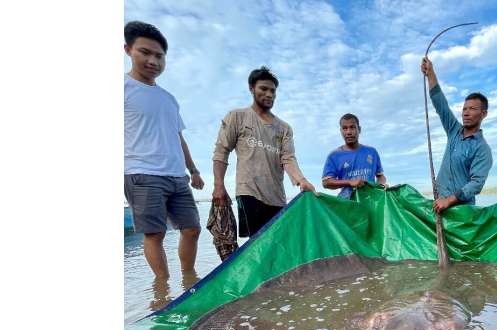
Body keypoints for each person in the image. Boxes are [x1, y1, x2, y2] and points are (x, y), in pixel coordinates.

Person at [124, 21, 205, 279]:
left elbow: (179, 137)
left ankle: (189, 277)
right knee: (155, 234)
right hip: (141, 173)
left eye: (159, 56)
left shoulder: (169, 99)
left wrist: (193, 170)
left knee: (192, 228)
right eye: (145, 52)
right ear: (128, 50)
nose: (153, 61)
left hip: (176, 175)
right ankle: (163, 287)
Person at [212, 67, 316, 238]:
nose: (269, 94)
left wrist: (301, 181)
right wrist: (218, 186)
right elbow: (221, 152)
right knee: (257, 244)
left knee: (279, 243)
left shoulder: (284, 128)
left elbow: (288, 158)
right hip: (249, 192)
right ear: (252, 88)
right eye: (263, 89)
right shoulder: (237, 117)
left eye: (273, 91)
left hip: (277, 196)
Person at [420, 57, 493, 213]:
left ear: (483, 113)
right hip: (438, 204)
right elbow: (441, 104)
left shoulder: (482, 149)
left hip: (462, 211)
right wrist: (431, 73)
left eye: (472, 109)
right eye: (464, 109)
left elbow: (476, 184)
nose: (466, 113)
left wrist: (449, 200)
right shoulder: (454, 130)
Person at [321, 114, 387, 199]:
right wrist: (350, 182)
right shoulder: (334, 156)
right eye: (345, 128)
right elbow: (326, 182)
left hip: (371, 201)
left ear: (359, 129)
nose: (348, 132)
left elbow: (380, 176)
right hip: (347, 204)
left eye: (352, 127)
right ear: (341, 131)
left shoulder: (372, 152)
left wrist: (381, 185)